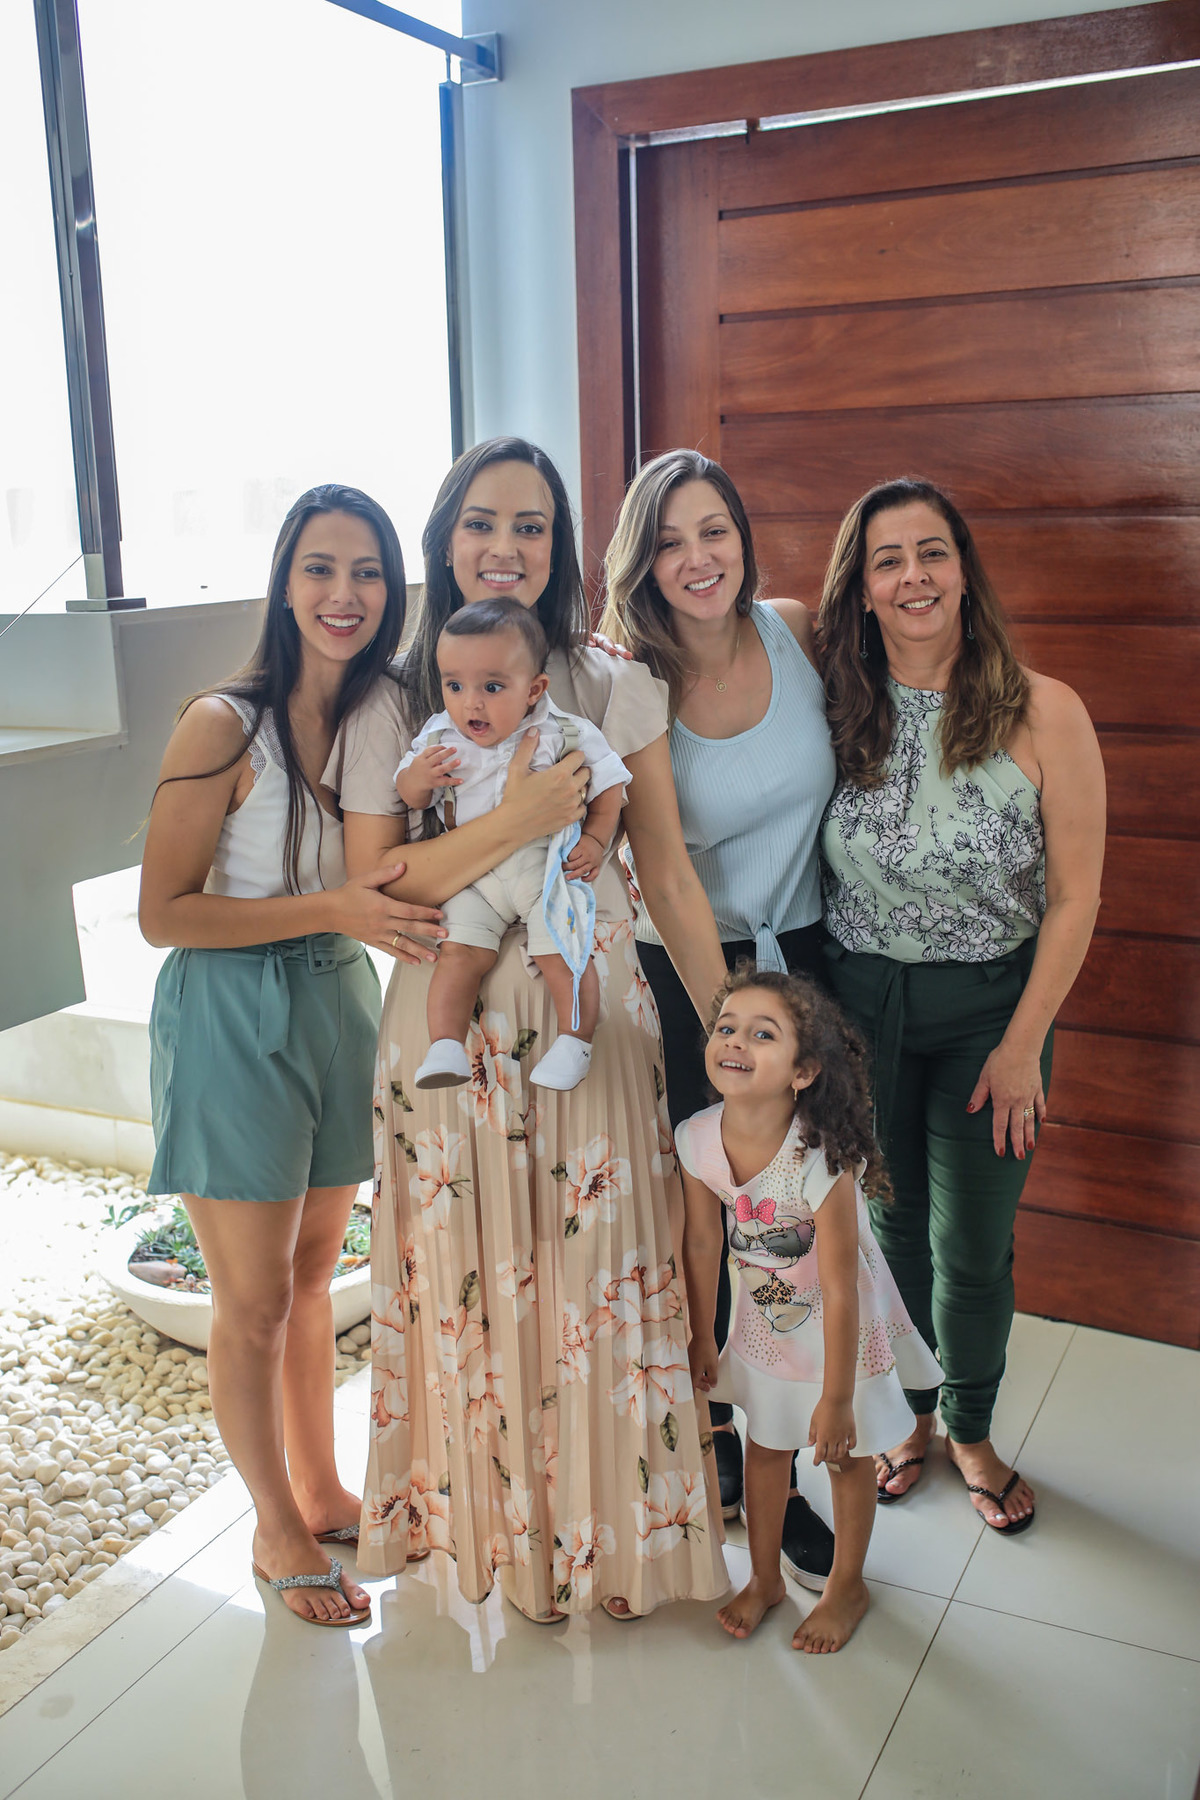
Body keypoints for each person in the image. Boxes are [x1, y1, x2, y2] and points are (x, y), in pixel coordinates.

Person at [326, 437, 730, 1620]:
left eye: (533, 526)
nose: (505, 547)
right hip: (446, 1026)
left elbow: (667, 869)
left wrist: (731, 1032)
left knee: (598, 1277)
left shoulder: (608, 681)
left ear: (562, 547)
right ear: (445, 535)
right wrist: (524, 818)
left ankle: (612, 1546)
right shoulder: (395, 697)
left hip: (588, 1013)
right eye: (482, 522)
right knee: (468, 1283)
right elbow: (378, 885)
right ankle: (495, 1543)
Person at [138, 484, 444, 1626]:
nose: (343, 593)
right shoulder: (224, 722)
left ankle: (320, 1491)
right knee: (255, 1298)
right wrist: (333, 908)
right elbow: (163, 914)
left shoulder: (386, 713)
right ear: (283, 581)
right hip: (231, 1007)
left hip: (338, 997)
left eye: (366, 571)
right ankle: (273, 1529)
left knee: (317, 1276)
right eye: (320, 568)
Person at [819, 476, 1105, 1532]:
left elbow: (1075, 898)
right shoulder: (834, 708)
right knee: (894, 1229)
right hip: (860, 1011)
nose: (913, 576)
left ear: (964, 572)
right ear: (862, 589)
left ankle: (972, 1431)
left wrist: (1024, 1045)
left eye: (931, 552)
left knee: (973, 1246)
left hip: (994, 1014)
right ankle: (912, 1417)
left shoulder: (1044, 709)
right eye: (888, 559)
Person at [599, 449, 838, 1585]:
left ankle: (792, 1447)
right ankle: (725, 1452)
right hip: (699, 974)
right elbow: (665, 870)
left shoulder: (793, 630)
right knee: (721, 1228)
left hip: (814, 960)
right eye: (669, 542)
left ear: (744, 538)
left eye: (714, 532)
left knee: (800, 1224)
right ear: (641, 563)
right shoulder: (633, 683)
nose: (697, 559)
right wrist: (730, 1032)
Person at [681, 969, 941, 1652]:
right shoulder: (697, 1138)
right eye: (727, 1027)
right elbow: (704, 1242)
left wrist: (837, 1396)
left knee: (844, 1456)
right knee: (767, 1448)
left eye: (762, 1034)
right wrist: (703, 1336)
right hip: (767, 1326)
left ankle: (845, 1586)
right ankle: (765, 1579)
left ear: (802, 1073)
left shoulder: (820, 1158)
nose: (736, 1041)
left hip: (840, 1333)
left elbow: (842, 1286)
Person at [395, 598, 629, 1093]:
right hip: (471, 872)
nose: (470, 704)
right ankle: (445, 1045)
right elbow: (411, 795)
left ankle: (575, 1041)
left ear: (534, 689)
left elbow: (611, 786)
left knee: (562, 950)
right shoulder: (439, 735)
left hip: (542, 865)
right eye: (454, 685)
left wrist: (595, 838)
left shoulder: (562, 732)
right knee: (458, 954)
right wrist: (417, 778)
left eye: (492, 687)